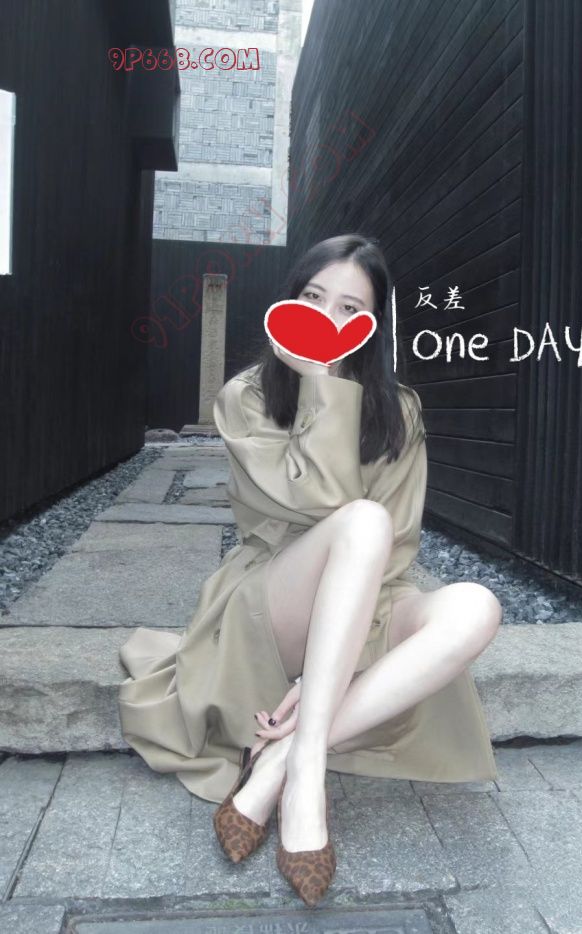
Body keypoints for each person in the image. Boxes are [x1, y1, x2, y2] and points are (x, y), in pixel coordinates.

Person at [117, 233, 502, 907]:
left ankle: (286, 759)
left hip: (366, 599)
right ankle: (306, 797)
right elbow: (318, 503)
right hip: (271, 598)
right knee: (361, 521)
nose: (327, 318)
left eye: (350, 309)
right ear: (289, 301)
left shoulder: (400, 409)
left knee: (477, 606)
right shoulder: (246, 396)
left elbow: (397, 546)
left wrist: (348, 646)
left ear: (373, 326)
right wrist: (322, 383)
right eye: (314, 298)